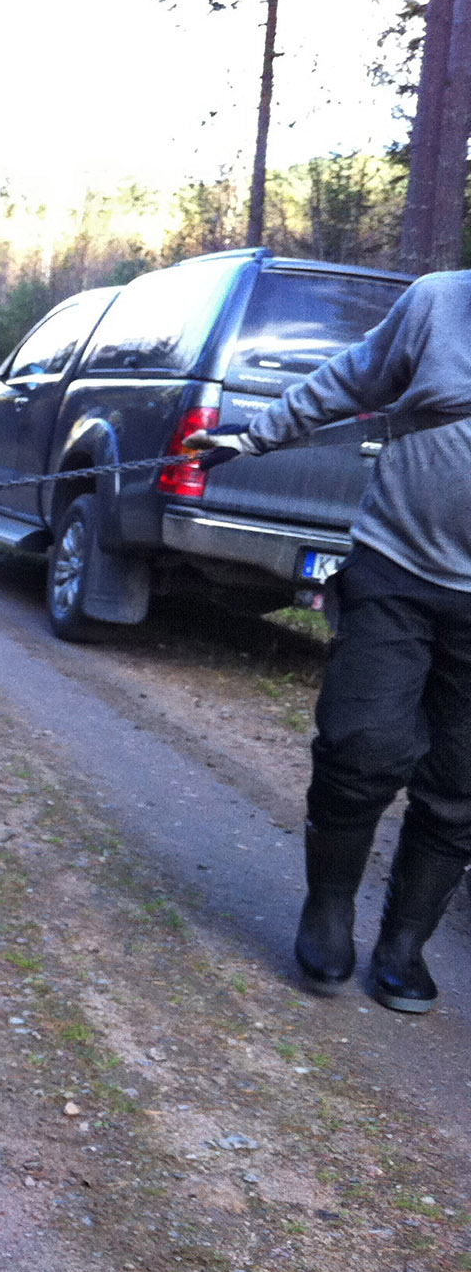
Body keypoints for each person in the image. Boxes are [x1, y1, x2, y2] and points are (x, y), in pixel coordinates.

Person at [186, 270, 471, 1014]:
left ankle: (405, 944)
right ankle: (330, 908)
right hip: (397, 563)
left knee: (460, 781)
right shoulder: (440, 303)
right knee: (360, 744)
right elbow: (351, 376)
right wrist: (255, 435)